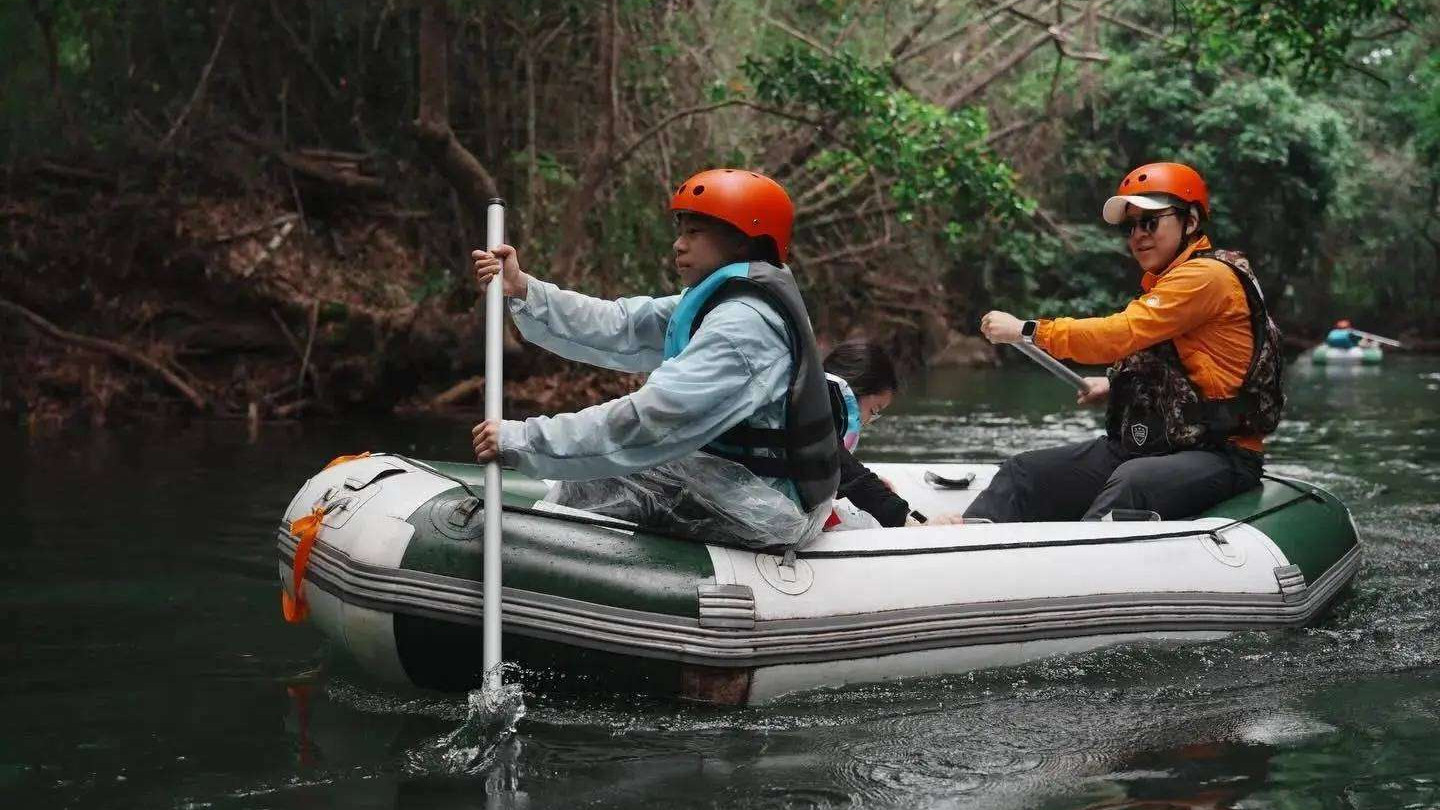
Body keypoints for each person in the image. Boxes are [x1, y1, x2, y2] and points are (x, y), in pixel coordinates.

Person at [469, 169, 839, 548]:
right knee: (597, 477)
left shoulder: (743, 327)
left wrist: (524, 439)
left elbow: (650, 420)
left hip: (762, 509)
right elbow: (622, 325)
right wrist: (524, 289)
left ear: (744, 242)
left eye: (694, 232)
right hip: (734, 479)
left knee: (591, 485)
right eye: (681, 231)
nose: (678, 245)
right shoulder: (724, 300)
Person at [964, 161, 1285, 523]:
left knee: (1132, 482)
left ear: (1191, 221)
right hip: (1157, 447)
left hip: (1221, 455)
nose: (1138, 235)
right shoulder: (1167, 281)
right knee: (1023, 472)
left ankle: (1079, 553)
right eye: (1131, 226)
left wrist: (1028, 331)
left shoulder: (1206, 277)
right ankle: (960, 543)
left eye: (1150, 221)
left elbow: (1118, 335)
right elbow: (1173, 360)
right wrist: (1114, 383)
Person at [822, 339, 966, 529]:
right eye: (873, 410)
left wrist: (871, 486)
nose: (867, 422)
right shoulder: (812, 426)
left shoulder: (803, 410)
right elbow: (848, 472)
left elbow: (837, 470)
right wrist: (914, 521)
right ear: (851, 390)